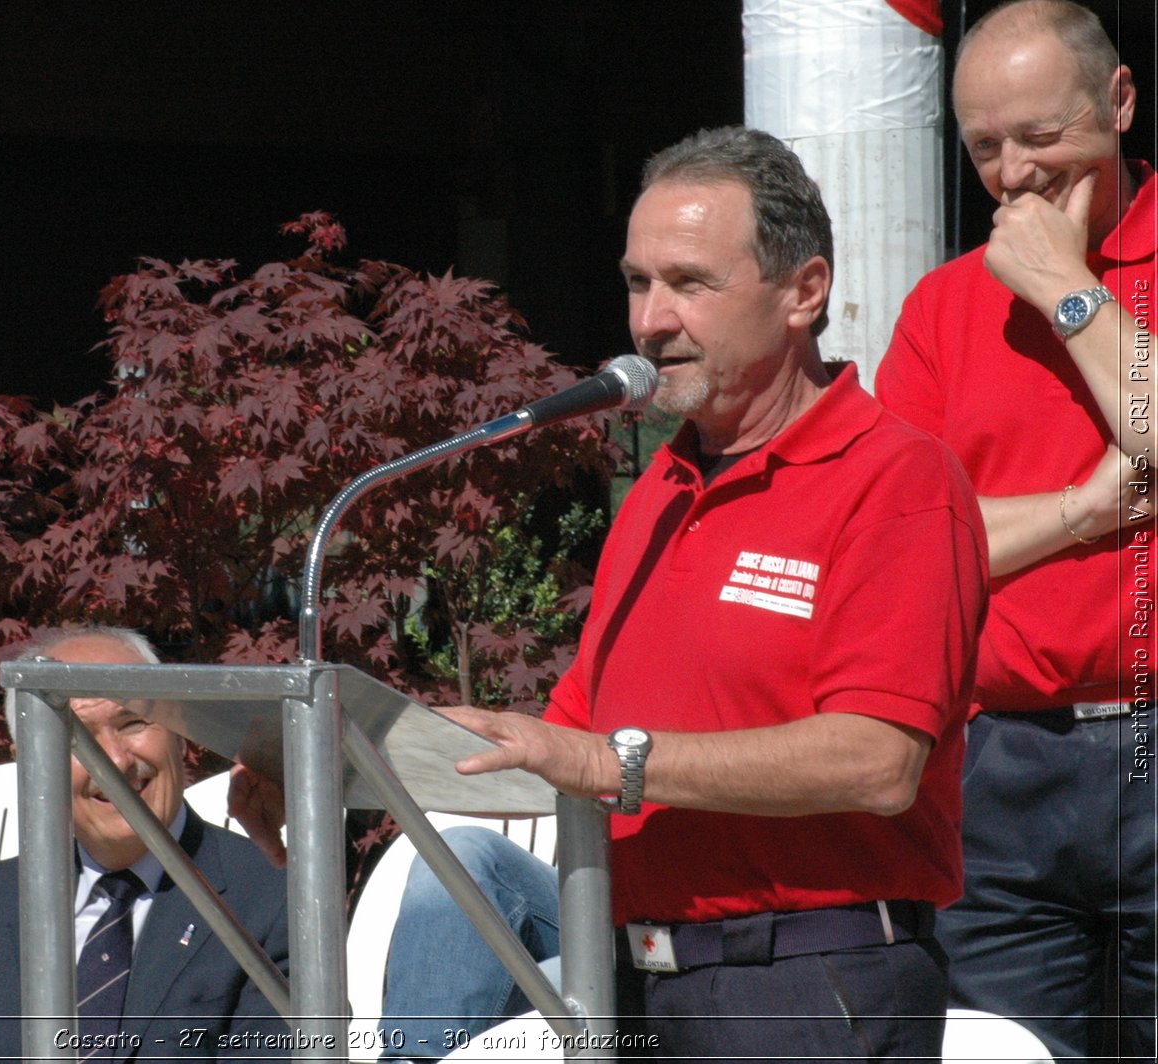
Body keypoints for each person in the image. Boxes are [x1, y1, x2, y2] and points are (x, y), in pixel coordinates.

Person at [334, 126, 989, 1060]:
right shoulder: (658, 492)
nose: (650, 320)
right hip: (633, 984)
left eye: (690, 283)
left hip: (805, 987)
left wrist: (614, 764)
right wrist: (377, 754)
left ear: (804, 292)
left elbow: (877, 760)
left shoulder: (895, 479)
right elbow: (572, 737)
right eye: (639, 283)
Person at [876, 1, 1156, 1057]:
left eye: (1041, 137)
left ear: (1119, 102)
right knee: (998, 1045)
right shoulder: (944, 307)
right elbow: (901, 550)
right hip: (1001, 761)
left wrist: (1065, 289)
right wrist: (1087, 509)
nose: (1014, 174)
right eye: (983, 147)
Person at [0, 625, 292, 1061]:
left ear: (178, 729)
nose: (114, 760)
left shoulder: (271, 900)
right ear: (30, 764)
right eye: (76, 737)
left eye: (132, 721)